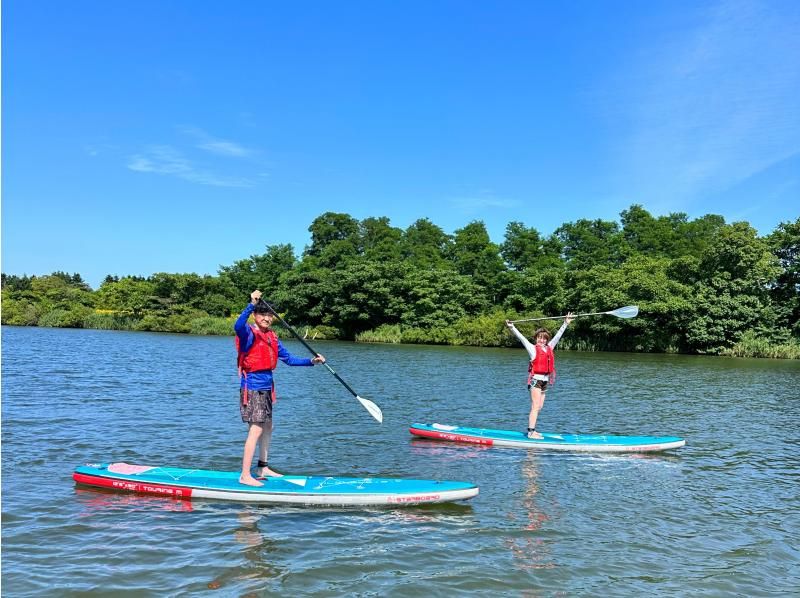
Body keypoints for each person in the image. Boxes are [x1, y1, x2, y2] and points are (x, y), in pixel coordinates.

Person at [234, 289, 325, 486]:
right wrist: (251, 304)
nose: (266, 318)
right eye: (262, 314)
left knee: (268, 426)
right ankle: (244, 475)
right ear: (255, 315)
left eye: (269, 315)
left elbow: (290, 360)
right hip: (252, 386)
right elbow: (237, 325)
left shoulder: (272, 337)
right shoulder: (247, 333)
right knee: (256, 428)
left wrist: (312, 361)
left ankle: (262, 466)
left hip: (267, 387)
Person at [506, 313, 573, 439]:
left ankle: (533, 430)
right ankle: (531, 432)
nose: (542, 340)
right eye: (539, 338)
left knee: (539, 407)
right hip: (535, 380)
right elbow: (521, 338)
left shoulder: (549, 348)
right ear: (536, 338)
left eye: (544, 338)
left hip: (545, 381)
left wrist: (565, 323)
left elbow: (558, 336)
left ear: (546, 340)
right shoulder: (532, 349)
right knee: (535, 406)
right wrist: (511, 327)